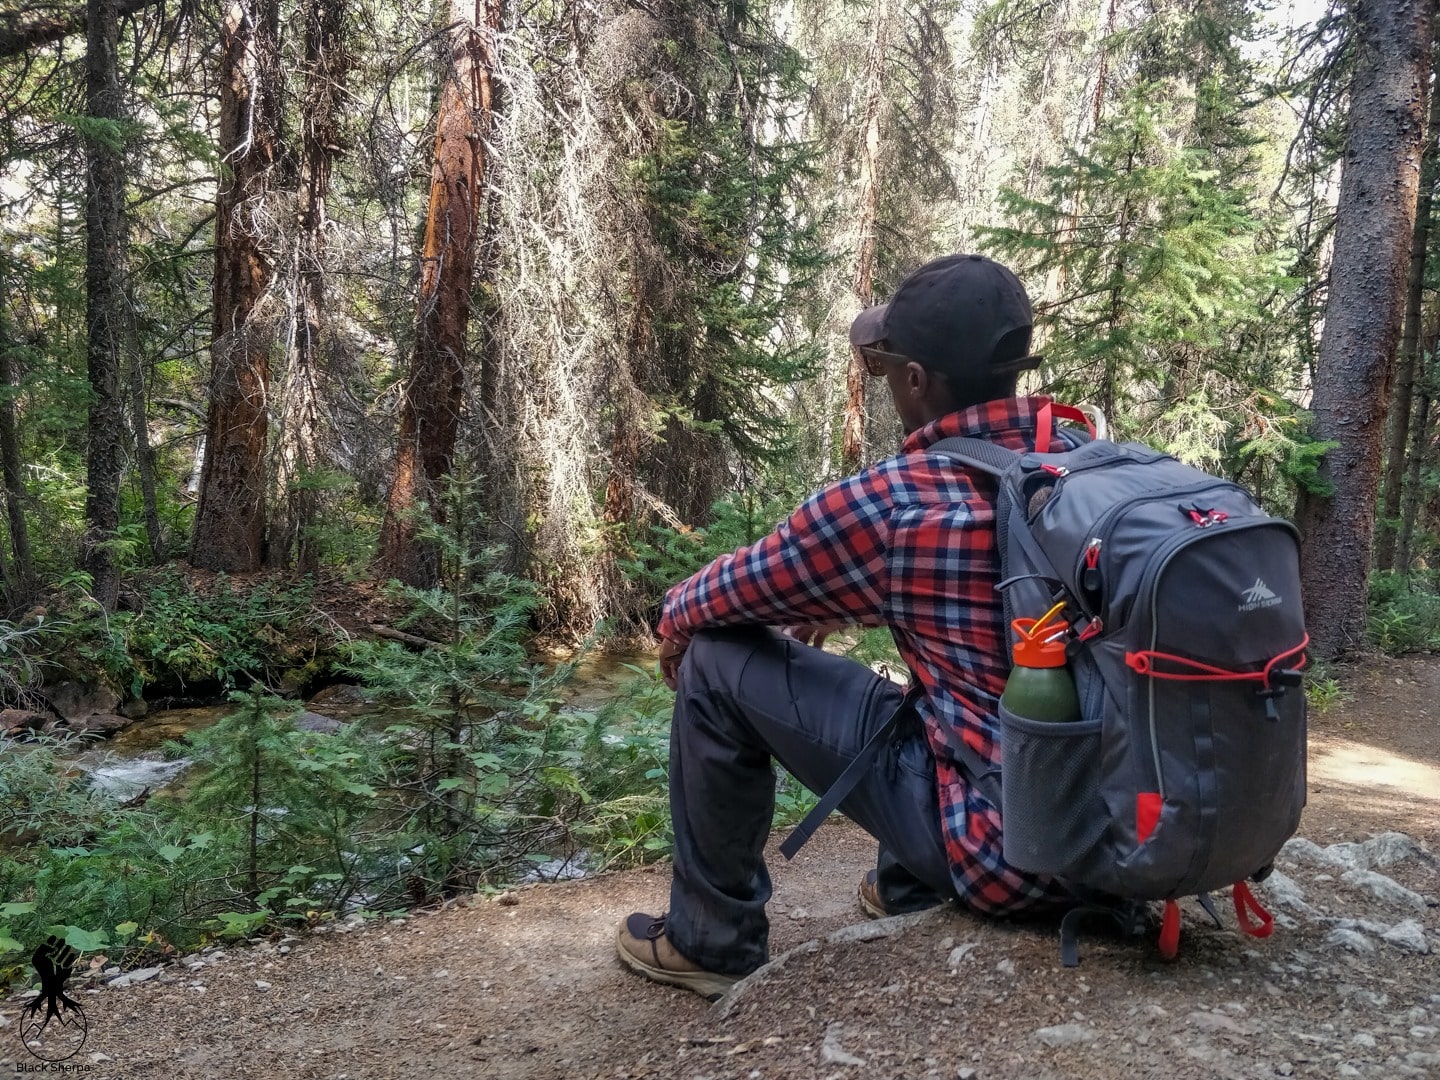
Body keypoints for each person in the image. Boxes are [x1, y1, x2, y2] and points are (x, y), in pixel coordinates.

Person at [615, 254, 1075, 999]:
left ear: (917, 380)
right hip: (1118, 838)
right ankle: (905, 886)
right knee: (959, 681)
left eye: (888, 365)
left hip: (1007, 857)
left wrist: (677, 623)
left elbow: (718, 595)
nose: (886, 380)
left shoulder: (896, 500)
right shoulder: (1085, 466)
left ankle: (710, 941)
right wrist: (818, 604)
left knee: (713, 660)